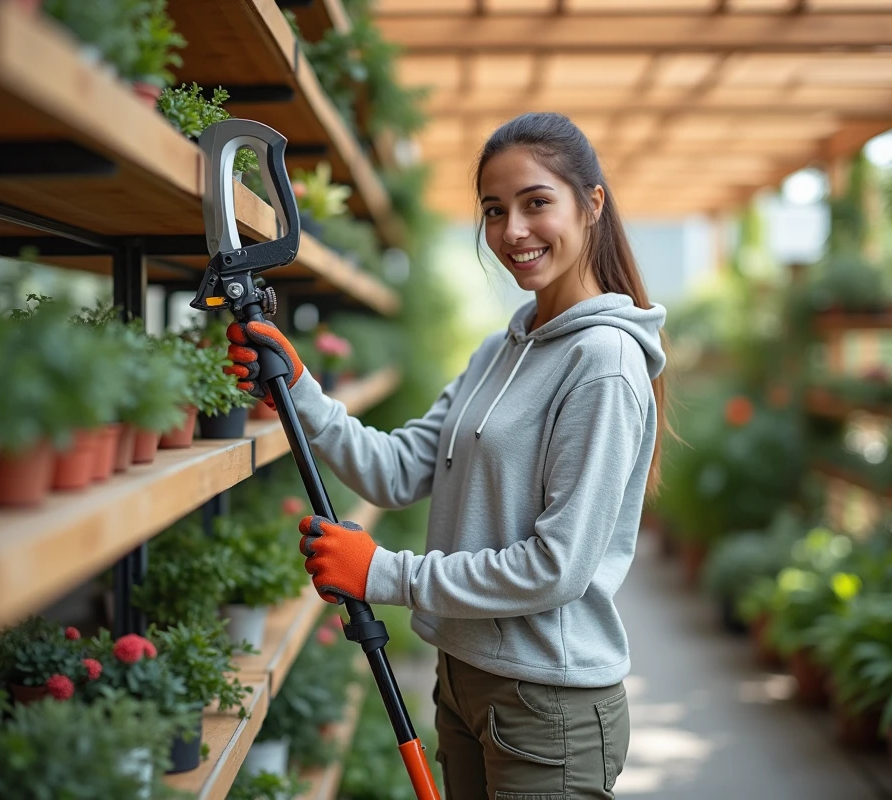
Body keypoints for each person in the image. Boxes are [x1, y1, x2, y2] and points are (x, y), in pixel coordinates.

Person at [226, 111, 669, 800]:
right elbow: (398, 469)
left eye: (536, 203)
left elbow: (556, 569)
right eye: (495, 211)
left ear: (592, 205)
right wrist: (303, 389)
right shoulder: (499, 351)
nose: (513, 231)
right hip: (463, 679)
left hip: (547, 702)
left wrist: (385, 573)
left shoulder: (605, 363)